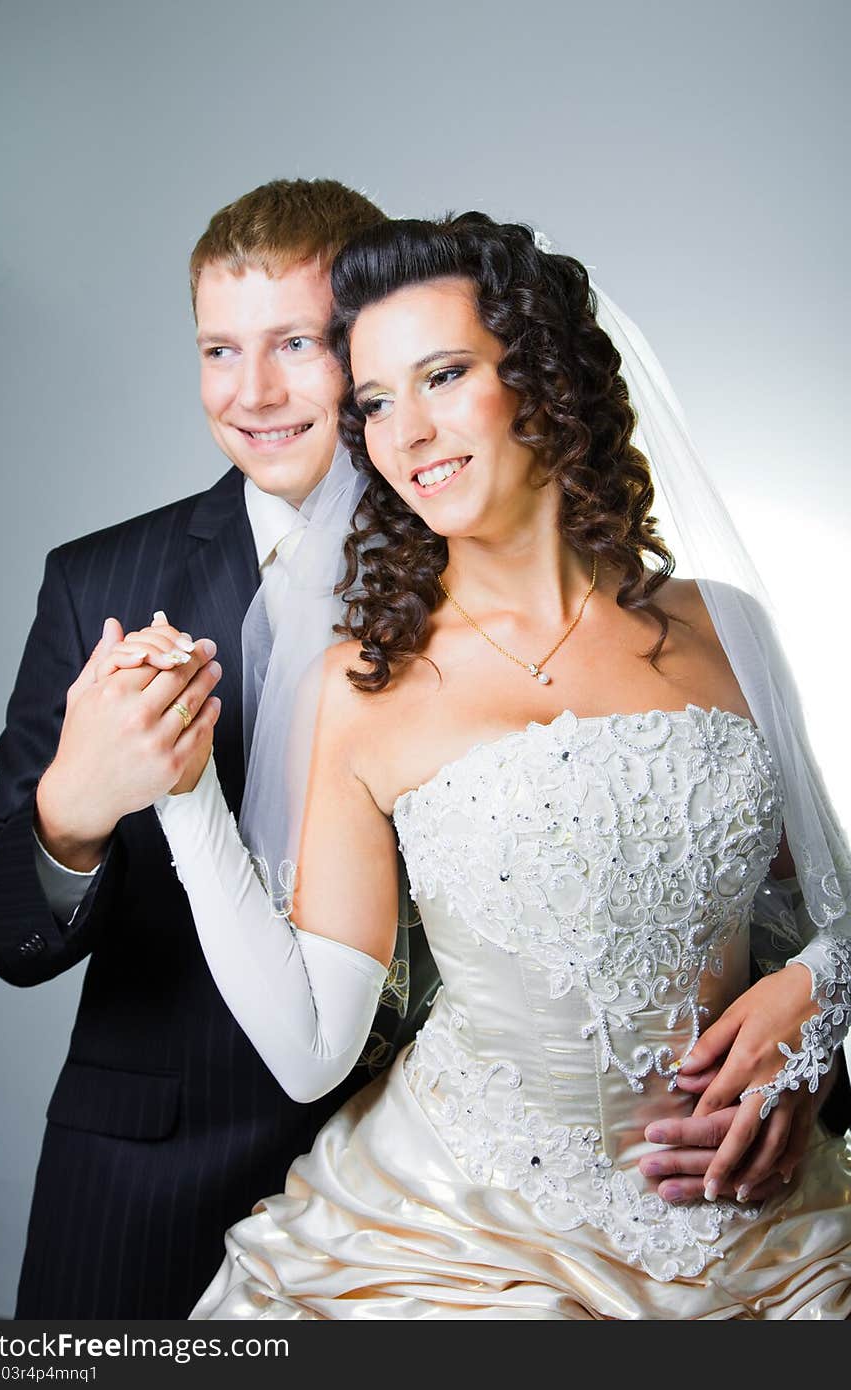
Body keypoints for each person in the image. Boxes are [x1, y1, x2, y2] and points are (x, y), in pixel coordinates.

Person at [119, 214, 851, 1318]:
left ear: (543, 377)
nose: (405, 432)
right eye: (373, 402)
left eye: (443, 376)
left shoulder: (726, 630)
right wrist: (184, 799)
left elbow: (830, 905)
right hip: (458, 1240)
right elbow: (314, 1051)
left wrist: (818, 1003)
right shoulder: (362, 688)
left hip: (768, 1238)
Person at [0, 179, 439, 1319]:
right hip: (151, 1179)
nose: (254, 392)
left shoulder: (480, 566)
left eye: (295, 343)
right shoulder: (98, 581)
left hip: (429, 1185)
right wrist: (70, 812)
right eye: (219, 349)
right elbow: (4, 932)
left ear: (368, 343)